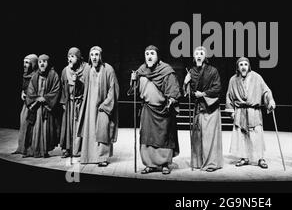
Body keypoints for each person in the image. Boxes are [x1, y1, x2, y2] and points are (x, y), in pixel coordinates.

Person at [129, 45, 181, 174]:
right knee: (147, 138)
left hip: (163, 110)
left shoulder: (166, 70)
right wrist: (133, 81)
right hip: (148, 110)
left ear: (157, 56)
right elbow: (134, 91)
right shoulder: (141, 71)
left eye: (152, 53)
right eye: (147, 54)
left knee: (164, 138)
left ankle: (164, 164)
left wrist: (172, 99)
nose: (149, 56)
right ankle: (150, 164)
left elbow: (173, 89)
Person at [226, 57, 276, 169]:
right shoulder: (233, 80)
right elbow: (229, 96)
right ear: (238, 67)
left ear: (249, 66)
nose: (243, 67)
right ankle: (244, 157)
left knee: (256, 134)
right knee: (242, 134)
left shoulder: (257, 77)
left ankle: (260, 158)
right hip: (240, 111)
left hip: (254, 111)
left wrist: (270, 100)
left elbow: (266, 91)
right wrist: (231, 110)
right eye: (241, 65)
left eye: (245, 64)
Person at [77, 46, 119, 167]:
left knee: (103, 131)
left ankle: (103, 158)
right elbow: (82, 86)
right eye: (92, 55)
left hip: (103, 106)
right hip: (90, 106)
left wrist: (106, 104)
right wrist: (76, 82)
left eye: (96, 55)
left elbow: (113, 89)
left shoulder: (108, 69)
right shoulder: (87, 69)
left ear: (101, 56)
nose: (94, 57)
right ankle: (88, 156)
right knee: (90, 129)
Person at [183, 46, 223, 172]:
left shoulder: (213, 71)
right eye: (196, 53)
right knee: (198, 137)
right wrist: (185, 82)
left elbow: (217, 88)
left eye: (201, 53)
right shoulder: (191, 71)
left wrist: (204, 94)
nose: (199, 55)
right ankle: (198, 162)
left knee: (209, 138)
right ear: (194, 57)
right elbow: (187, 94)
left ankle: (211, 163)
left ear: (205, 57)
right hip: (198, 108)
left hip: (210, 108)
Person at [24, 54, 61, 158]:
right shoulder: (35, 76)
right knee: (36, 128)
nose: (42, 64)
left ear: (48, 63)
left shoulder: (53, 75)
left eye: (44, 61)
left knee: (46, 129)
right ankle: (35, 150)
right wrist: (36, 98)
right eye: (40, 62)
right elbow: (30, 91)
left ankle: (44, 150)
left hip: (46, 107)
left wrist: (45, 98)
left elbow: (56, 90)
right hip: (37, 107)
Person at [60, 47, 87, 158]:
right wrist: (63, 102)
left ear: (79, 57)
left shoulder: (86, 69)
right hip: (70, 103)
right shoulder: (65, 70)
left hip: (81, 102)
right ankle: (67, 148)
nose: (70, 59)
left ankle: (79, 149)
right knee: (68, 126)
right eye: (68, 57)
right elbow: (62, 87)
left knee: (80, 126)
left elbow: (87, 86)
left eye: (73, 56)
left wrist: (78, 82)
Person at [12, 54, 38, 155]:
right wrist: (22, 92)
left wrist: (31, 99)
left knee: (30, 126)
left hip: (32, 104)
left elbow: (38, 90)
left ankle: (29, 149)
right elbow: (24, 87)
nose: (24, 65)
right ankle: (21, 148)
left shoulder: (36, 75)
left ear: (33, 64)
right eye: (24, 62)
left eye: (27, 62)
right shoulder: (26, 74)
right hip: (25, 104)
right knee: (23, 124)